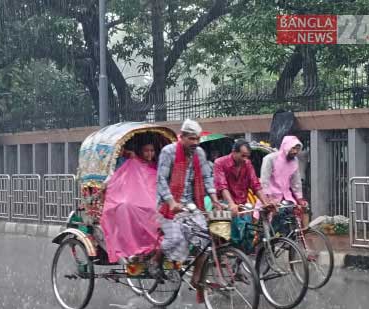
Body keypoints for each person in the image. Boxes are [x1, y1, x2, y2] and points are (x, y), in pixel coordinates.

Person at [155, 119, 221, 292]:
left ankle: (196, 278)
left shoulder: (199, 153)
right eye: (191, 139)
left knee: (205, 240)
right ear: (182, 137)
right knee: (175, 239)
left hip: (192, 205)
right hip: (168, 205)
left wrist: (214, 198)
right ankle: (156, 260)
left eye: (197, 139)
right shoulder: (168, 152)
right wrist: (171, 201)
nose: (195, 143)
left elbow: (207, 177)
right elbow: (161, 180)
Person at [101, 142, 160, 266]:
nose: (150, 154)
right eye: (146, 151)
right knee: (128, 208)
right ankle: (133, 248)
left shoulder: (155, 166)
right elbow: (123, 181)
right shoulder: (131, 162)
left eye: (152, 151)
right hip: (131, 197)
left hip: (150, 198)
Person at [213, 140, 270, 252]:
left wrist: (265, 202)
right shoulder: (219, 163)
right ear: (234, 152)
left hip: (242, 204)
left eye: (247, 156)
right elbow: (222, 186)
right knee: (233, 236)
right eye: (242, 156)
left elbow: (255, 185)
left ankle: (243, 259)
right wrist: (231, 204)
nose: (245, 159)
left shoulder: (247, 164)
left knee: (249, 233)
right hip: (224, 203)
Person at [260, 135, 309, 233]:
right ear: (286, 146)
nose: (295, 151)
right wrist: (268, 198)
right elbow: (264, 180)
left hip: (286, 196)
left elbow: (296, 181)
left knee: (296, 214)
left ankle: (290, 241)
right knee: (270, 221)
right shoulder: (270, 158)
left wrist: (299, 198)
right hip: (269, 196)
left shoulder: (294, 160)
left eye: (298, 149)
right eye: (293, 148)